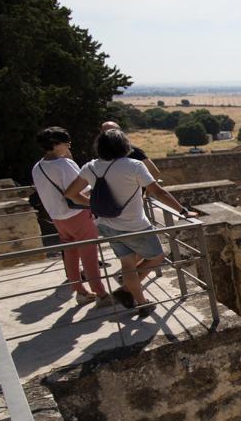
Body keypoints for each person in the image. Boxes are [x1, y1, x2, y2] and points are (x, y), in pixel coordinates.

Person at [65, 129, 192, 316]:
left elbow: (71, 194)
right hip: (135, 225)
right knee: (157, 257)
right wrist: (183, 211)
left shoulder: (90, 167)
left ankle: (141, 302)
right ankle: (126, 291)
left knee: (127, 265)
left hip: (107, 225)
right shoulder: (134, 166)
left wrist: (93, 205)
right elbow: (158, 192)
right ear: (124, 145)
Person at [31, 127, 109, 305]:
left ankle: (80, 291)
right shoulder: (64, 164)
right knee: (89, 254)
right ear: (56, 144)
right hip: (77, 214)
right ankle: (101, 294)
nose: (68, 145)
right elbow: (78, 191)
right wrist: (96, 205)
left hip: (58, 217)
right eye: (67, 142)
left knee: (70, 253)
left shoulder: (38, 167)